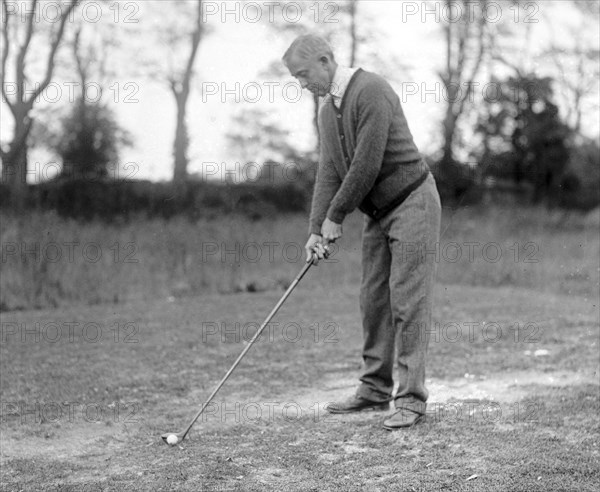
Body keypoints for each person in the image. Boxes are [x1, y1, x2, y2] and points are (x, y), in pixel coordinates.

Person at [282, 34, 441, 430]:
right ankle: (373, 388)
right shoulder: (325, 111)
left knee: (407, 300)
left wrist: (337, 216)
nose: (302, 84)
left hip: (412, 200)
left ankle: (411, 399)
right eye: (296, 79)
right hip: (379, 212)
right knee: (373, 300)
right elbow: (331, 171)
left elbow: (366, 165)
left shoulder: (371, 89)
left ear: (326, 60)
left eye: (303, 75)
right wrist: (316, 229)